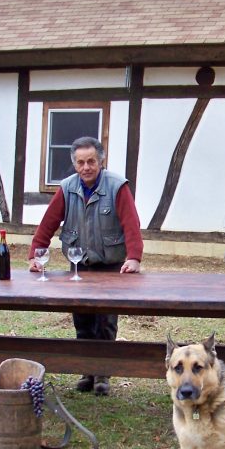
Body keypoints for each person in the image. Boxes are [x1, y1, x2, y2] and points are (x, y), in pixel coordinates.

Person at [28, 136, 143, 396]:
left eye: (91, 161)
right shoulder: (67, 187)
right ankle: (86, 372)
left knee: (105, 323)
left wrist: (133, 257)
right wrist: (35, 255)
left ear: (101, 161)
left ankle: (103, 375)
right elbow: (48, 223)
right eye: (80, 162)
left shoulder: (117, 186)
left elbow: (131, 224)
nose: (86, 167)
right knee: (82, 321)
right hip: (79, 267)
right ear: (75, 164)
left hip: (111, 266)